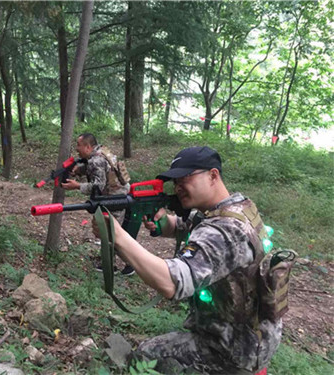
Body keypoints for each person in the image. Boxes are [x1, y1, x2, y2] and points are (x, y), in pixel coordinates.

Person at [93, 146, 281, 374]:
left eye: (186, 178)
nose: (179, 187)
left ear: (213, 175)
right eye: (176, 181)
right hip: (250, 332)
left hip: (234, 348)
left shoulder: (226, 230)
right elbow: (189, 226)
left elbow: (172, 283)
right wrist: (164, 223)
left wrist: (118, 236)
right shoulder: (236, 208)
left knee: (146, 355)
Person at [62, 133, 135, 276]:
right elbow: (103, 171)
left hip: (115, 199)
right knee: (112, 232)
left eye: (79, 145)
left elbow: (98, 186)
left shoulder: (96, 160)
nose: (77, 149)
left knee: (111, 233)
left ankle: (120, 266)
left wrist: (77, 186)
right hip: (117, 195)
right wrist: (81, 169)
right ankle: (112, 262)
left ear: (88, 147)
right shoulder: (100, 152)